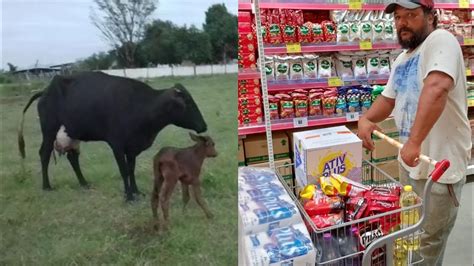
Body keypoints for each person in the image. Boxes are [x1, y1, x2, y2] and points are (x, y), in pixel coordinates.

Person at [357, 0, 472, 265]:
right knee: (410, 235)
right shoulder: (403, 59)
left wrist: (415, 141)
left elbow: (437, 86)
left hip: (439, 168)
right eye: (398, 17)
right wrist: (366, 118)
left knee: (428, 243)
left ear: (432, 16)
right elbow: (388, 99)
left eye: (411, 15)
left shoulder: (441, 40)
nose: (403, 23)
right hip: (411, 164)